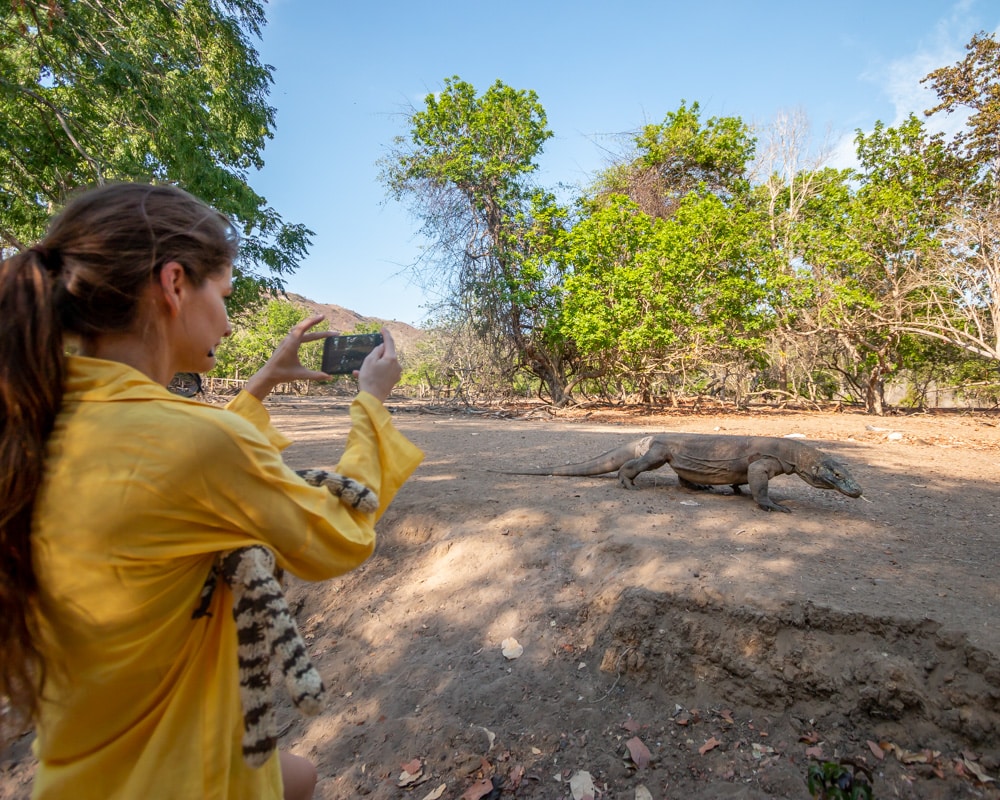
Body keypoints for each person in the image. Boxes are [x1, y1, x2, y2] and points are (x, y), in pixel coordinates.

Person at [0, 182, 424, 800]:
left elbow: (169, 470)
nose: (227, 320)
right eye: (222, 295)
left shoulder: (35, 422)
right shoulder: (196, 443)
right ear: (174, 285)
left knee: (297, 777)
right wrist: (372, 403)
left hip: (81, 769)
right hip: (173, 781)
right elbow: (341, 534)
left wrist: (261, 384)